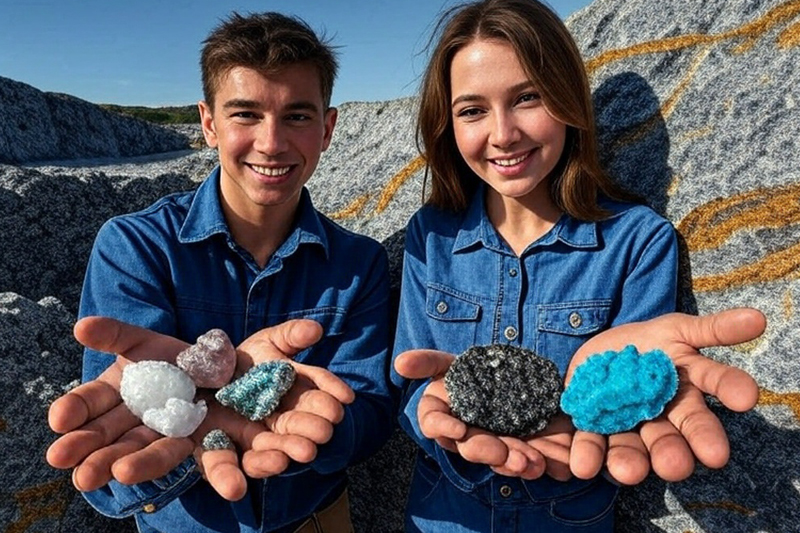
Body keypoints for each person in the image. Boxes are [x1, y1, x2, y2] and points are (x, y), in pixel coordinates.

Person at [47, 11, 393, 533]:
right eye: (246, 114)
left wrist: (315, 414)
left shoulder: (357, 263)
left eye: (297, 116)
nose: (272, 142)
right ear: (209, 123)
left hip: (316, 521)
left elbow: (370, 416)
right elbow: (116, 446)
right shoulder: (137, 246)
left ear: (328, 128)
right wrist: (184, 413)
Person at [390, 0, 683, 530]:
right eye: (472, 110)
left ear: (569, 100)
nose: (503, 134)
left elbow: (634, 388)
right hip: (443, 515)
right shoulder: (430, 235)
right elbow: (411, 385)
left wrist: (614, 416)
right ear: (447, 124)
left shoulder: (639, 242)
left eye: (528, 98)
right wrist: (438, 420)